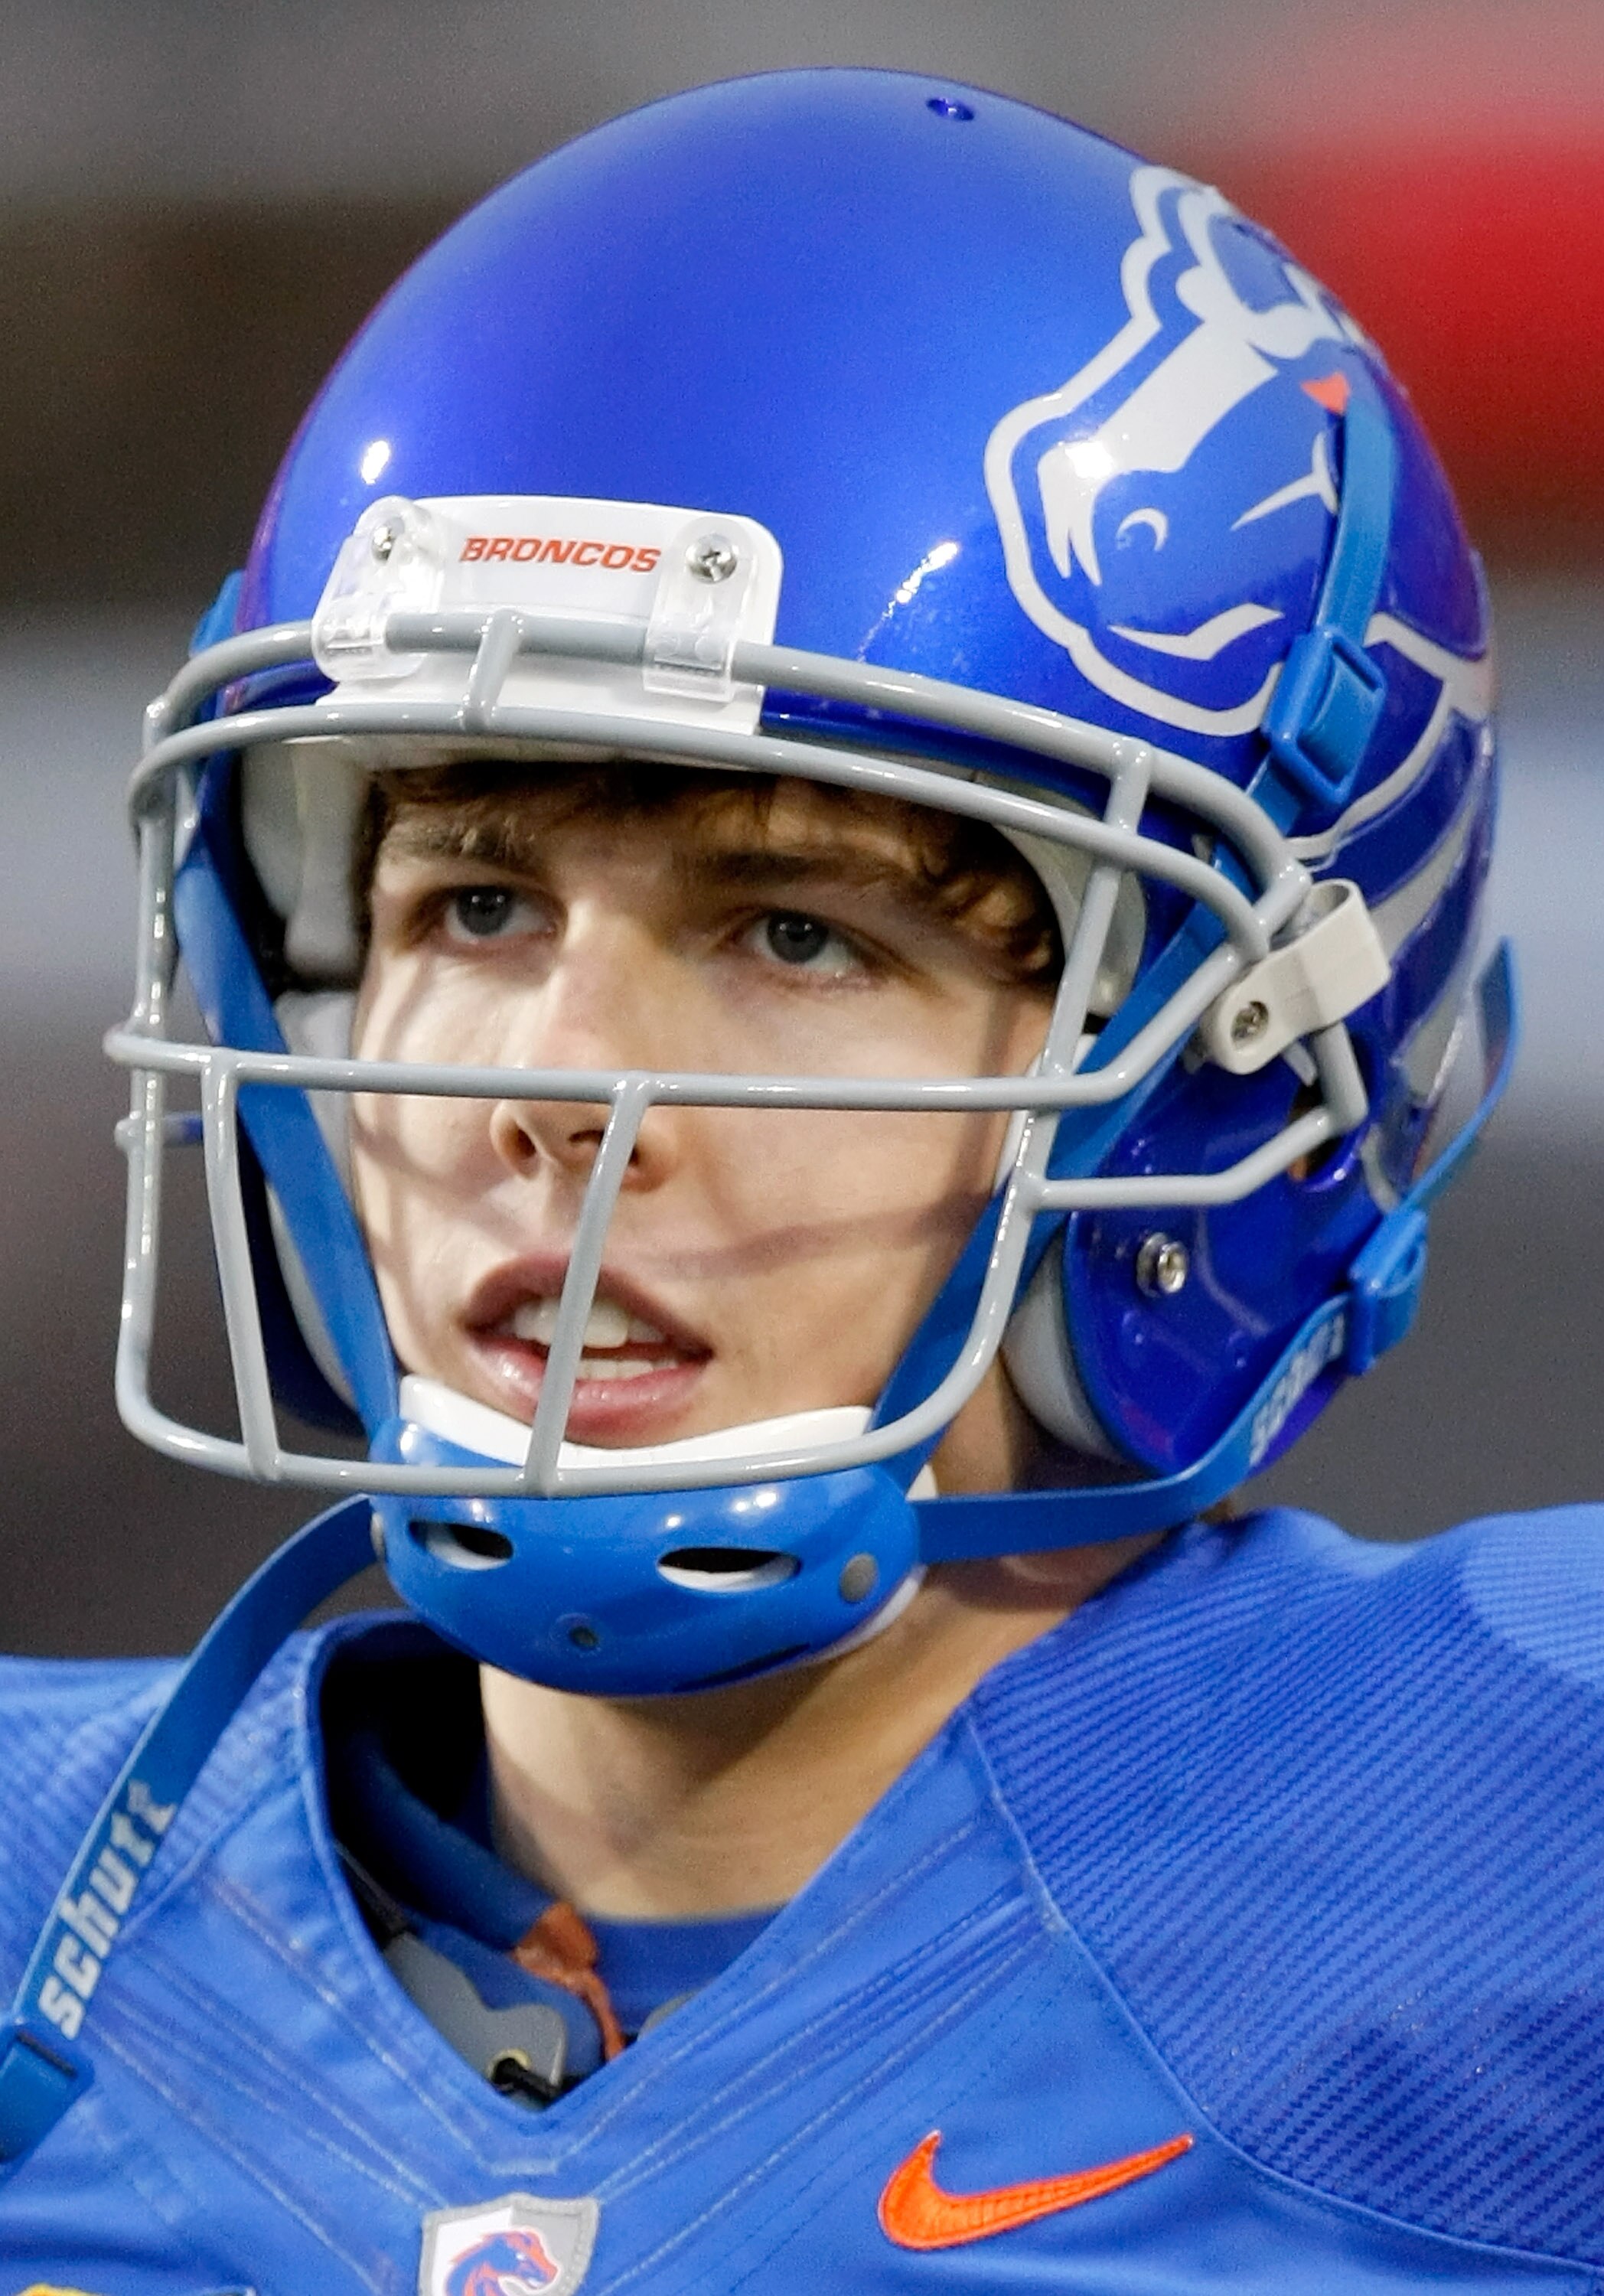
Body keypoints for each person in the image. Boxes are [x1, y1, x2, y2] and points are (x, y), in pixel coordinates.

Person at [0, 64, 1598, 2296]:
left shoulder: (1520, 1866)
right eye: (473, 905)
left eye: (794, 932)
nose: (552, 1085)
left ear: (1226, 1096)